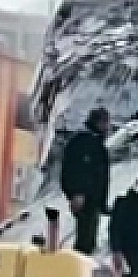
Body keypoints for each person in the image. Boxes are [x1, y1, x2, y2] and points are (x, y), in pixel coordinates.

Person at [59, 108, 111, 255]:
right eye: (106, 123)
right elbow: (75, 170)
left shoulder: (95, 142)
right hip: (84, 200)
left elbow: (99, 176)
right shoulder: (84, 141)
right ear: (99, 123)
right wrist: (77, 192)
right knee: (85, 242)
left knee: (88, 240)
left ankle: (82, 269)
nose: (108, 127)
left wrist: (101, 202)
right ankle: (77, 272)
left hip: (92, 201)